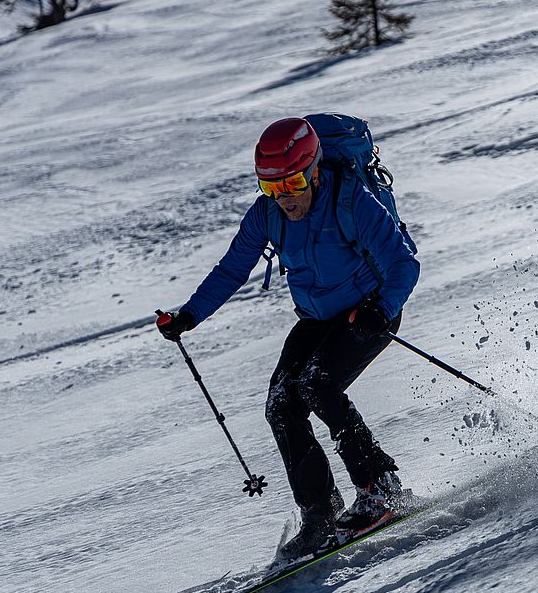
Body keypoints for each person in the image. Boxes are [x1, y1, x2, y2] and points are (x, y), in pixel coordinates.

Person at [157, 117, 420, 561]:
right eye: (271, 187)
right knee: (281, 403)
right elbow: (231, 270)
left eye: (293, 183)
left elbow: (404, 263)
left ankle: (381, 491)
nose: (285, 198)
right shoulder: (267, 214)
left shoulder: (351, 199)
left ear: (315, 170)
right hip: (317, 318)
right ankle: (319, 513)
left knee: (317, 385)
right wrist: (189, 315)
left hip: (366, 312)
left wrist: (381, 309)